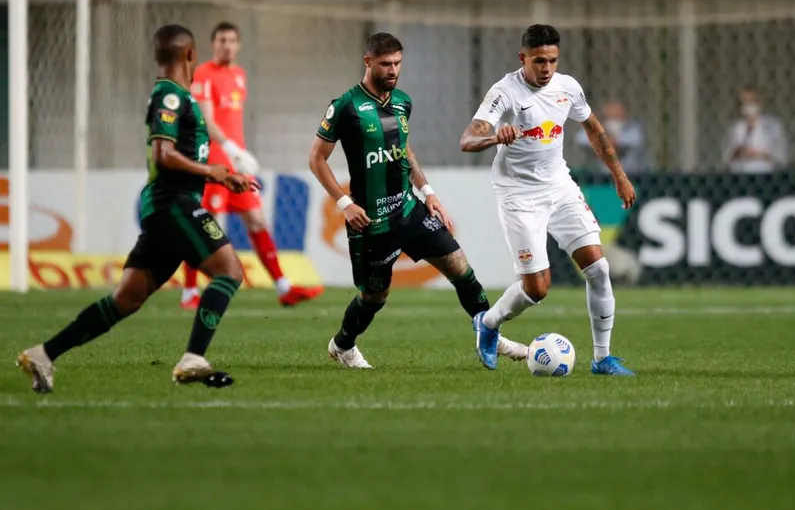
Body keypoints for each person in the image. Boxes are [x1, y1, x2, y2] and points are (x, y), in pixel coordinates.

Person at [16, 24, 254, 392]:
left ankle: (44, 354)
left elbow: (178, 156)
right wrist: (214, 172)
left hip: (168, 206)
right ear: (191, 55)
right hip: (172, 205)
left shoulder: (175, 95)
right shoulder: (170, 96)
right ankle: (193, 358)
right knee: (230, 271)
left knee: (126, 299)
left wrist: (218, 176)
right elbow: (164, 154)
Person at [308, 32, 528, 368]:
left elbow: (404, 152)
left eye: (397, 63)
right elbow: (317, 160)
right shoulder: (345, 107)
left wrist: (428, 193)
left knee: (460, 267)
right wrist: (344, 203)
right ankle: (342, 345)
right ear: (368, 63)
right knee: (374, 297)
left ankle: (489, 333)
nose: (393, 70)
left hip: (409, 210)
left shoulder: (402, 102)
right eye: (385, 64)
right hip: (372, 223)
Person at [460, 24, 637, 376]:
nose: (546, 69)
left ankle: (602, 358)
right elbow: (467, 139)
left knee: (599, 269)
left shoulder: (567, 87)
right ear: (522, 58)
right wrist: (496, 137)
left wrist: (619, 175)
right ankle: (489, 323)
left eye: (552, 61)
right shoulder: (505, 92)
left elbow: (594, 129)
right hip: (519, 194)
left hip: (559, 185)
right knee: (537, 289)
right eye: (539, 61)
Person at [180, 21, 324, 309]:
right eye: (221, 40)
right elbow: (206, 121)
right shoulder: (204, 74)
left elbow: (231, 121)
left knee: (257, 220)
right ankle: (190, 293)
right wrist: (230, 147)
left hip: (237, 165)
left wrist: (239, 152)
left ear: (239, 45)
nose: (227, 45)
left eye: (232, 40)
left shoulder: (239, 76)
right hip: (213, 163)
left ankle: (284, 288)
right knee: (205, 224)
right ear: (213, 44)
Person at [723, 86, 788, 174]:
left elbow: (781, 155)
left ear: (759, 102)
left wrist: (758, 154)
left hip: (764, 173)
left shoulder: (772, 125)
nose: (747, 105)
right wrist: (738, 152)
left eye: (751, 101)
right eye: (744, 102)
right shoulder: (736, 127)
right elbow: (727, 154)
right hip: (740, 174)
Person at [574, 100, 649, 174]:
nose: (614, 117)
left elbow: (636, 140)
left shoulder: (632, 127)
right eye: (610, 114)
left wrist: (614, 139)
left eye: (617, 114)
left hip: (631, 173)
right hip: (599, 173)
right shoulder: (597, 126)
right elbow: (580, 138)